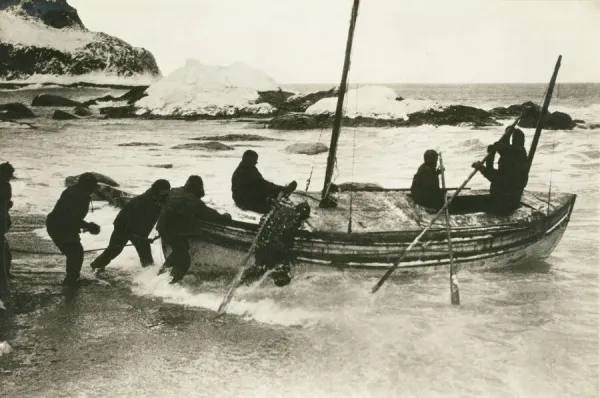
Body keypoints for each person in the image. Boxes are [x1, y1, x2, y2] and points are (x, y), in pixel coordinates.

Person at [157, 175, 231, 284]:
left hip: (162, 227)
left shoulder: (173, 191)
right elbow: (211, 215)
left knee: (181, 249)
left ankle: (160, 276)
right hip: (173, 232)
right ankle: (171, 284)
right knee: (184, 260)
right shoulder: (193, 202)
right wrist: (225, 217)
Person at [90, 179, 171, 272]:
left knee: (145, 253)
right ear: (158, 190)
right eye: (165, 190)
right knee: (114, 250)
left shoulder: (162, 199)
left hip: (140, 232)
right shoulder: (143, 200)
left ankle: (149, 275)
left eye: (168, 189)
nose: (167, 192)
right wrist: (134, 235)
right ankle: (96, 265)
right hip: (123, 227)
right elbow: (127, 217)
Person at [46, 173, 101, 286]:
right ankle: (71, 280)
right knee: (75, 252)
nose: (93, 188)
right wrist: (89, 226)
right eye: (92, 185)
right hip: (59, 225)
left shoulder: (76, 191)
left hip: (59, 224)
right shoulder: (79, 195)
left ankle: (72, 278)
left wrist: (86, 225)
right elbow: (70, 216)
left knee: (74, 252)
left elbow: (72, 217)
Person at [239, 201, 311, 287]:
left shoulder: (282, 209)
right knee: (279, 273)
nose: (303, 222)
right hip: (271, 247)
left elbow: (265, 219)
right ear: (302, 216)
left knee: (259, 267)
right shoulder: (294, 220)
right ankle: (251, 285)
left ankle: (241, 282)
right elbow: (287, 238)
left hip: (262, 242)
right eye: (304, 219)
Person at [471, 126, 529, 216]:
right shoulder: (515, 152)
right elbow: (506, 147)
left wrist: (482, 168)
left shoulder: (517, 158)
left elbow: (497, 178)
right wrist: (492, 153)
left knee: (499, 182)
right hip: (501, 194)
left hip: (506, 201)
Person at [231, 150, 297, 213]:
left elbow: (260, 183)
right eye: (255, 160)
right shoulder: (244, 171)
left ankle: (280, 193)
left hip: (246, 196)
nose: (256, 162)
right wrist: (279, 188)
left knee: (269, 194)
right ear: (250, 160)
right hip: (244, 200)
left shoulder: (248, 168)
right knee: (271, 208)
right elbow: (261, 184)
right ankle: (281, 193)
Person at [0, 162, 15, 301]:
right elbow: (5, 202)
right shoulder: (5, 186)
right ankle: (3, 289)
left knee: (5, 252)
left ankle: (6, 274)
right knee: (3, 254)